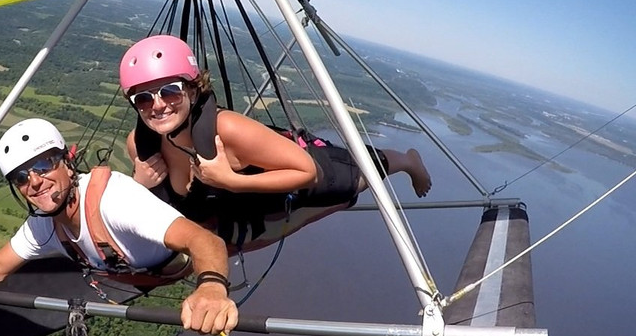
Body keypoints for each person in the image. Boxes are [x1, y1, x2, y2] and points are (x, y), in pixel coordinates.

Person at [0, 117, 238, 336]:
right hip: (135, 270)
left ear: (68, 162)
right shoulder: (44, 224)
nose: (35, 181)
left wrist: (211, 289)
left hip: (174, 259)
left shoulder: (114, 200)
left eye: (45, 164)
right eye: (22, 177)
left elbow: (202, 239)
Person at [119, 35, 432, 246]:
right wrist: (139, 185)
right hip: (251, 195)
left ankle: (408, 160)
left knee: (362, 172)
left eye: (169, 91)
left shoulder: (226, 130)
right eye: (143, 98)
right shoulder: (140, 146)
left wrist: (231, 181)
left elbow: (308, 172)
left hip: (313, 173)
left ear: (192, 88)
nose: (157, 105)